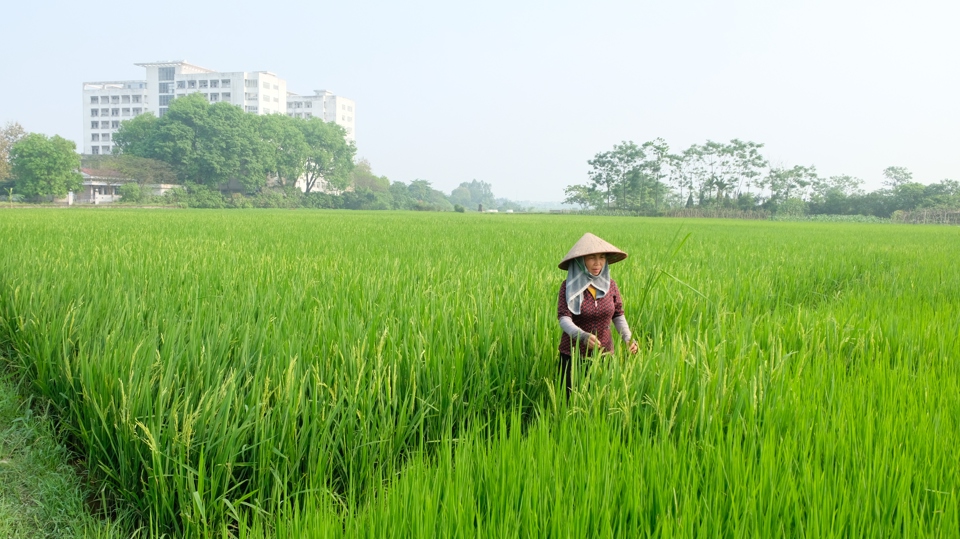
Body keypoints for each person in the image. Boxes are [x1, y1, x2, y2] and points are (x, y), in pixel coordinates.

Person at [557, 232, 639, 397]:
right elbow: (564, 318)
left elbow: (618, 315)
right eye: (591, 258)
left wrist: (627, 338)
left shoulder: (611, 286)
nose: (597, 263)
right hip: (573, 356)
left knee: (600, 400)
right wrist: (582, 336)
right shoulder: (568, 286)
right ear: (580, 261)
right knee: (570, 402)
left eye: (602, 257)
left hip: (604, 355)